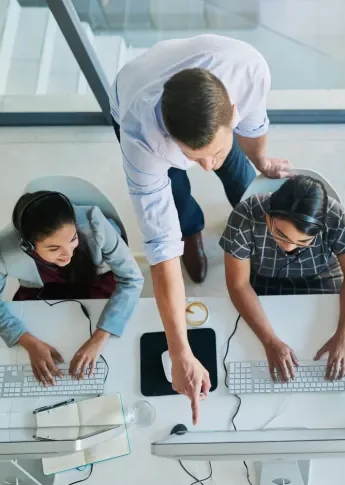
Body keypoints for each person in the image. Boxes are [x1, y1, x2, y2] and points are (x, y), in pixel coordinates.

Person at [110, 34, 290, 423]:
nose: (206, 166)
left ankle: (242, 197)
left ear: (233, 111)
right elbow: (161, 250)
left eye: (214, 152)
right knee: (175, 196)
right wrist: (181, 353)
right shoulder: (141, 138)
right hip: (133, 89)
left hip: (213, 93)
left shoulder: (248, 69)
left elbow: (254, 124)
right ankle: (193, 231)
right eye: (195, 157)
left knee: (240, 172)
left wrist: (260, 161)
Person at [0, 191, 144, 386]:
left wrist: (99, 336)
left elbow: (132, 279)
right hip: (43, 289)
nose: (67, 254)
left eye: (73, 240)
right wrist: (27, 341)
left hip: (94, 280)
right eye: (54, 249)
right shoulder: (1, 249)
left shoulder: (94, 223)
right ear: (28, 246)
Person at [220, 175, 345, 381]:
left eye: (303, 241)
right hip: (263, 279)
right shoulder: (244, 216)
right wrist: (269, 341)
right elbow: (238, 284)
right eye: (280, 234)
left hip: (320, 277)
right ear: (268, 216)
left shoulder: (335, 216)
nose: (288, 247)